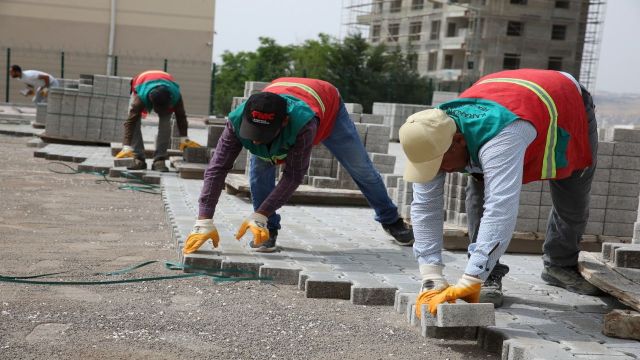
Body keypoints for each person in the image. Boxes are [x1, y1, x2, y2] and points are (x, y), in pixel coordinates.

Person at [399, 69, 600, 316]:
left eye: (441, 162)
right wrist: (430, 275)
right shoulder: (429, 132)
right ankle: (490, 274)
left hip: (566, 100)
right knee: (478, 186)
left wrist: (471, 278)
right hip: (505, 95)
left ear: (459, 140)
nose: (443, 170)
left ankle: (559, 264)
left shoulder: (501, 137)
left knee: (573, 192)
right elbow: (424, 205)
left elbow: (500, 207)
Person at [183, 77, 414, 253]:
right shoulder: (235, 121)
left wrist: (260, 212)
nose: (254, 140)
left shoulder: (304, 124)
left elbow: (293, 176)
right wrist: (203, 219)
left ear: (284, 123)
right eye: (251, 132)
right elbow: (217, 168)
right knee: (260, 168)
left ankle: (391, 219)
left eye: (263, 134)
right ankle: (268, 228)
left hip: (326, 103)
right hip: (282, 89)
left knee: (360, 166)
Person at [114, 70, 200, 171]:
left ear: (170, 100)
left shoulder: (175, 96)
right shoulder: (140, 98)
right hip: (142, 83)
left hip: (165, 84)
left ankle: (159, 160)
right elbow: (130, 122)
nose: (161, 112)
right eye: (159, 110)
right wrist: (126, 146)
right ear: (151, 103)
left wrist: (184, 138)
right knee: (135, 121)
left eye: (164, 109)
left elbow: (181, 116)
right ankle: (138, 158)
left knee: (165, 124)